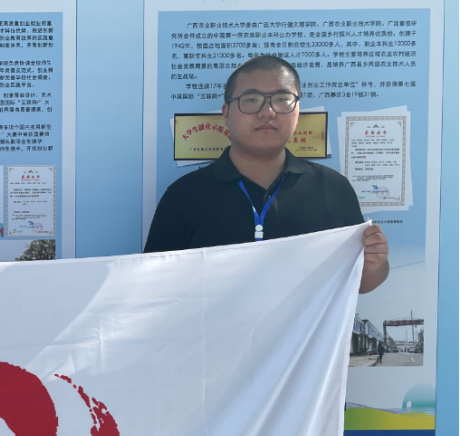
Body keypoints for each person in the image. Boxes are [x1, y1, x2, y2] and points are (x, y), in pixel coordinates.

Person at [145, 54, 389, 295]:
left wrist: (373, 263)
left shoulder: (333, 188)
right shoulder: (184, 195)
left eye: (282, 99)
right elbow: (155, 287)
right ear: (226, 112)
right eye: (251, 100)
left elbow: (361, 284)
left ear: (297, 111)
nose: (267, 112)